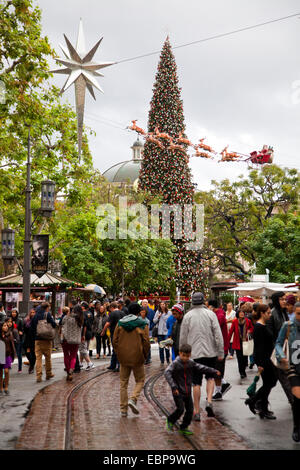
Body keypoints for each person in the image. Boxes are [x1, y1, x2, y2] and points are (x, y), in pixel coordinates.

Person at [180, 292, 224, 421]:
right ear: (203, 301)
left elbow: (183, 337)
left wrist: (182, 354)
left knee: (196, 382)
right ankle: (209, 401)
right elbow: (218, 334)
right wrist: (220, 352)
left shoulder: (187, 316)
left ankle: (196, 410)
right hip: (210, 352)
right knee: (210, 377)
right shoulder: (211, 314)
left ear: (192, 302)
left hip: (194, 354)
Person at [164, 343, 221, 435]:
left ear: (190, 355)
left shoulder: (191, 363)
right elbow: (167, 372)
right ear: (179, 353)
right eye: (183, 355)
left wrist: (214, 371)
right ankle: (170, 420)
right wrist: (173, 386)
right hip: (177, 391)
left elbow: (202, 368)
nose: (185, 358)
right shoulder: (175, 363)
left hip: (187, 391)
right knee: (180, 409)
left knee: (190, 410)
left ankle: (184, 427)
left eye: (187, 356)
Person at [113, 302, 150, 417]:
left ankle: (123, 409)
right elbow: (146, 342)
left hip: (123, 358)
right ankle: (133, 399)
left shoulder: (120, 323)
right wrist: (144, 355)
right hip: (137, 357)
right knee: (140, 380)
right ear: (139, 312)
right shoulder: (143, 324)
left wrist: (119, 353)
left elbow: (115, 341)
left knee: (123, 383)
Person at [245, 304, 277, 419]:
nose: (270, 315)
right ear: (262, 313)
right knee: (269, 383)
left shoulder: (264, 325)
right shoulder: (259, 327)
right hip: (264, 360)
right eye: (268, 313)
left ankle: (259, 405)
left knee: (270, 383)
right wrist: (260, 364)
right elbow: (258, 347)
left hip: (268, 359)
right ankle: (256, 403)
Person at [276, 302, 300, 442]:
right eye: (298, 314)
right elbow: (278, 343)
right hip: (293, 367)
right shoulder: (288, 326)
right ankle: (297, 427)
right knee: (297, 397)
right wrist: (281, 355)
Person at [267, 292, 294, 406]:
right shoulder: (273, 314)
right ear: (276, 300)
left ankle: (257, 400)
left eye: (284, 299)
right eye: (281, 299)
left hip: (285, 349)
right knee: (284, 378)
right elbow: (270, 335)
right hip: (277, 351)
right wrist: (278, 351)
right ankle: (293, 401)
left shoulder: (284, 313)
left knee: (271, 382)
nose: (284, 301)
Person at [208, 300, 231, 401]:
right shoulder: (218, 314)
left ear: (212, 307)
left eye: (207, 306)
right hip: (217, 347)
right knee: (214, 369)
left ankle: (219, 391)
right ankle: (223, 385)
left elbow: (214, 326)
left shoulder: (219, 315)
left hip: (221, 348)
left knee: (216, 370)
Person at [30, 302, 56, 382]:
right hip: (47, 340)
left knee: (38, 359)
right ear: (47, 308)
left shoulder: (35, 316)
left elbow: (32, 327)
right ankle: (48, 373)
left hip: (37, 339)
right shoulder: (47, 315)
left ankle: (39, 376)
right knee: (48, 358)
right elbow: (54, 324)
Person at [228, 306, 254, 380]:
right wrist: (227, 341)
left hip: (245, 341)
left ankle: (243, 370)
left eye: (243, 313)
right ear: (238, 314)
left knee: (244, 358)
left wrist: (249, 330)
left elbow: (252, 328)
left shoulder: (248, 321)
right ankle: (241, 372)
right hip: (237, 342)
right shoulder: (235, 322)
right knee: (239, 358)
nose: (242, 314)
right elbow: (231, 332)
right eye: (240, 313)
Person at [60, 305, 84, 381]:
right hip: (75, 340)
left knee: (66, 355)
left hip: (66, 340)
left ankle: (68, 371)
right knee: (73, 356)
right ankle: (71, 368)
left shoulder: (66, 317)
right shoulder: (80, 319)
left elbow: (61, 325)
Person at [101, 302, 125, 372]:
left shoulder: (112, 314)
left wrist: (103, 331)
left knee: (115, 348)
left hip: (114, 333)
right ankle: (113, 364)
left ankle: (117, 365)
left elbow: (107, 324)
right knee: (118, 349)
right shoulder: (122, 313)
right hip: (122, 333)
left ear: (112, 307)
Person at [153, 301, 172, 366]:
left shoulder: (169, 313)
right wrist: (158, 317)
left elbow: (171, 321)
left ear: (165, 305)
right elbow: (154, 321)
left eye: (163, 304)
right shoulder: (158, 312)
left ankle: (167, 359)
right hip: (160, 332)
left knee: (167, 347)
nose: (162, 305)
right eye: (161, 304)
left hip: (166, 332)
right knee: (161, 347)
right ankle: (162, 361)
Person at [0, 321, 16, 395]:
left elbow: (12, 346)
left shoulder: (9, 335)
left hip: (7, 355)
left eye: (6, 326)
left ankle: (6, 387)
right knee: (0, 372)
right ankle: (1, 388)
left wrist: (13, 355)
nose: (6, 327)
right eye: (4, 326)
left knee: (6, 371)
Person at [79, 302, 95, 371]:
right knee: (84, 348)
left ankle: (90, 363)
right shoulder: (90, 313)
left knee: (82, 349)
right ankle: (80, 363)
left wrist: (83, 335)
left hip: (84, 333)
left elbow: (84, 325)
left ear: (83, 307)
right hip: (89, 332)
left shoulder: (82, 314)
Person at [23, 308, 36, 374]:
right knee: (27, 352)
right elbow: (24, 330)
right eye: (31, 312)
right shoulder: (26, 320)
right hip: (28, 338)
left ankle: (32, 367)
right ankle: (31, 363)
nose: (32, 314)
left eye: (34, 312)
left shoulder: (37, 320)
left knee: (33, 353)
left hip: (35, 338)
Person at [10, 309, 24, 373]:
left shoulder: (20, 320)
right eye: (12, 312)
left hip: (18, 339)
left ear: (17, 313)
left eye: (15, 312)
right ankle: (8, 365)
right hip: (10, 339)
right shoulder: (9, 320)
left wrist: (21, 332)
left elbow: (22, 329)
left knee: (19, 354)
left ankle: (20, 368)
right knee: (10, 353)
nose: (13, 313)